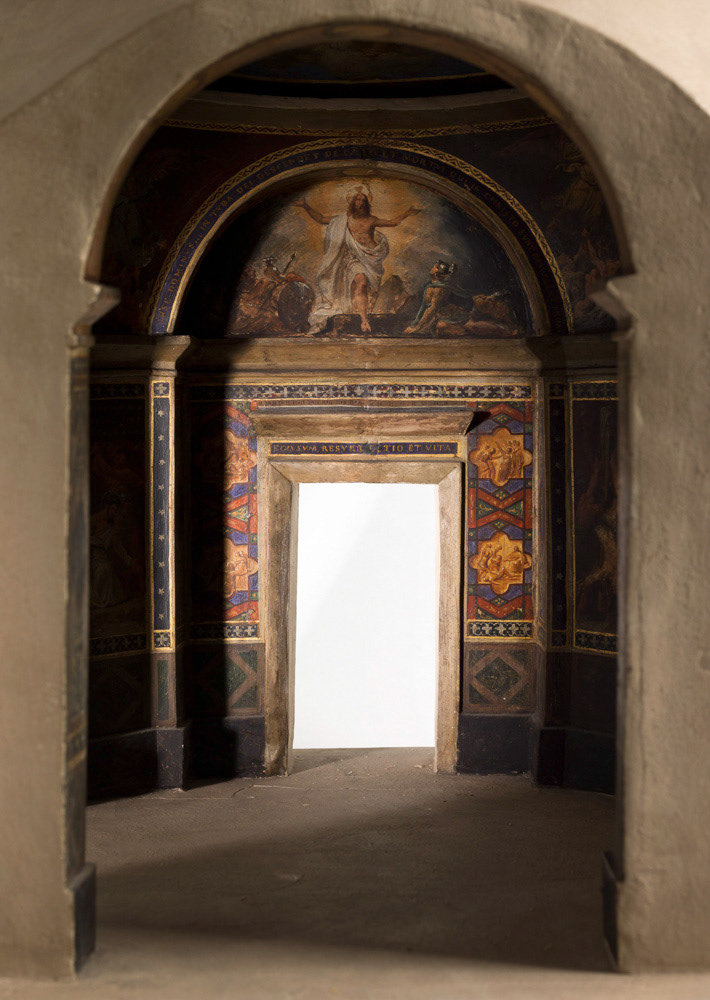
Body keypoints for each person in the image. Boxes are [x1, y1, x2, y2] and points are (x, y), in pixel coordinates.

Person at [296, 185, 421, 333]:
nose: (360, 203)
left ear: (366, 205)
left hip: (370, 258)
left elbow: (393, 222)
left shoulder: (371, 220)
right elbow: (322, 219)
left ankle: (356, 314)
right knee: (361, 281)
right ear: (353, 203)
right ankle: (364, 320)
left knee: (360, 286)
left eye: (363, 200)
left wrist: (408, 212)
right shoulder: (344, 220)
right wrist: (305, 206)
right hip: (352, 259)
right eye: (357, 200)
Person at [404, 260, 456, 335]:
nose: (432, 268)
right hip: (431, 315)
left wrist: (417, 327)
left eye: (434, 267)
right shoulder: (431, 286)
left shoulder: (439, 289)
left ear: (437, 272)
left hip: (443, 315)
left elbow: (432, 309)